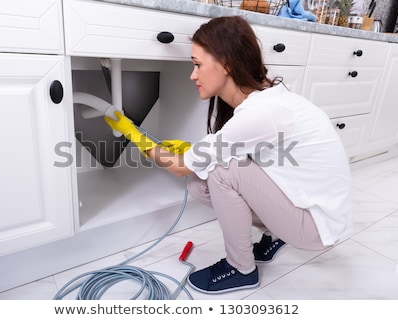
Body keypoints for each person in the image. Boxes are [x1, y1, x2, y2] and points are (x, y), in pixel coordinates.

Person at [105, 16, 352, 294]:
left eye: (197, 64)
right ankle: (274, 236)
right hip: (310, 208)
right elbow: (238, 150)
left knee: (220, 170)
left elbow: (180, 167)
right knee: (200, 184)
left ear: (226, 64)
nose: (193, 75)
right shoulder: (267, 99)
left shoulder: (259, 113)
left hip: (316, 227)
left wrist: (133, 134)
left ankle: (241, 269)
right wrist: (192, 148)